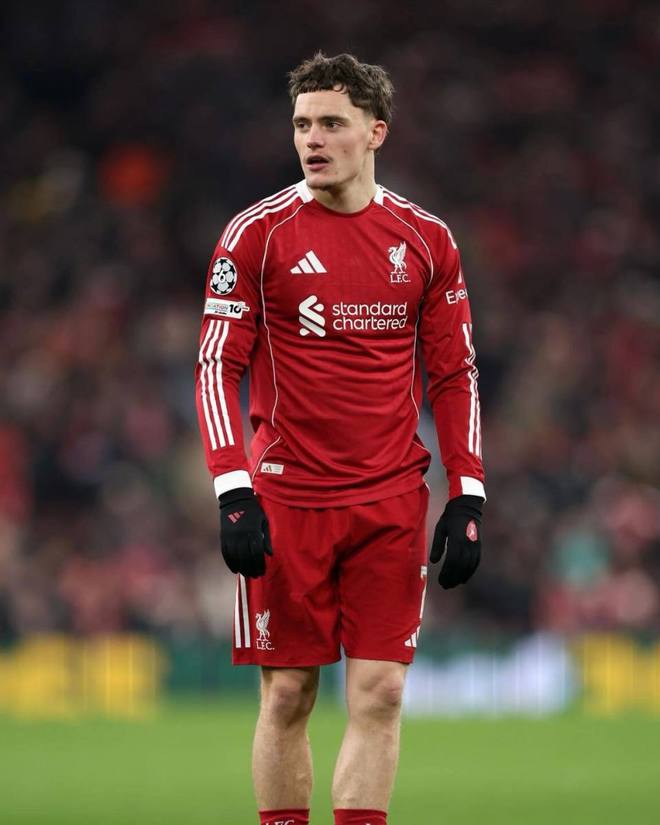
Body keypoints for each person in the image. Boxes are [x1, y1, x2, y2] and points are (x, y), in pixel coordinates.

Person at [195, 52, 485, 825]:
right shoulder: (256, 235)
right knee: (288, 692)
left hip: (391, 499)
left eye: (331, 123)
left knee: (382, 691)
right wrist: (232, 487)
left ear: (375, 132)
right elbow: (216, 364)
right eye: (301, 125)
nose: (311, 140)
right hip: (287, 499)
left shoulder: (426, 239)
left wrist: (468, 492)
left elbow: (455, 372)